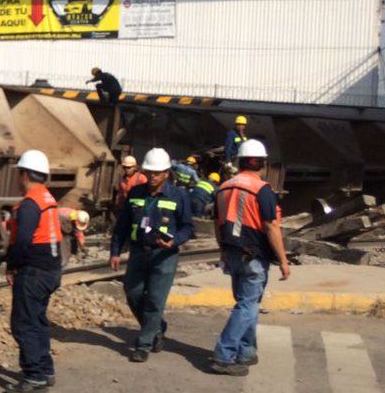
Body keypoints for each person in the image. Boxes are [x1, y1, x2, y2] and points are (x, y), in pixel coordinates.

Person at [211, 140, 291, 376]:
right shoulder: (262, 189)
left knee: (247, 303)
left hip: (233, 253)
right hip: (253, 254)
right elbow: (271, 227)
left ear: (239, 162)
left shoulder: (224, 187)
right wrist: (283, 260)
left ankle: (246, 351)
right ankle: (224, 355)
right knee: (247, 305)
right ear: (262, 164)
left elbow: (217, 224)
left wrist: (222, 250)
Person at [110, 148, 194, 363]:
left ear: (166, 173)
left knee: (155, 300)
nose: (152, 177)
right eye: (149, 172)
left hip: (164, 256)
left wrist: (174, 240)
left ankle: (144, 344)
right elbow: (122, 226)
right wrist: (115, 251)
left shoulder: (179, 195)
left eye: (157, 173)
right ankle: (157, 327)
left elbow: (188, 227)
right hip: (139, 252)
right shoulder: (135, 193)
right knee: (133, 293)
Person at [4, 150, 63, 393]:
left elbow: (22, 241)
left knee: (23, 324)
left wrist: (12, 265)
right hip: (50, 269)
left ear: (25, 174)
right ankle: (45, 369)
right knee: (38, 320)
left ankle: (35, 376)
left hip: (34, 271)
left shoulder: (29, 204)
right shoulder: (47, 197)